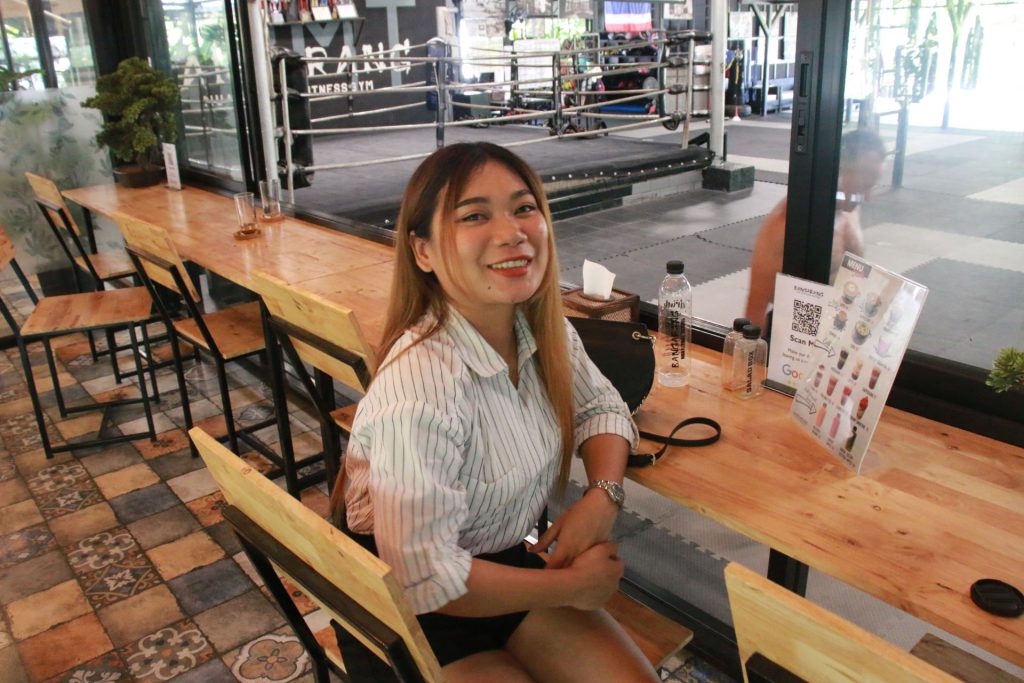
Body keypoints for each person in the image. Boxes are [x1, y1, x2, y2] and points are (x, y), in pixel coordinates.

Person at [330, 142, 659, 682]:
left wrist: (603, 495)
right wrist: (572, 587)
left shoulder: (541, 331)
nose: (512, 233)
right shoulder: (419, 393)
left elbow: (601, 405)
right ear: (424, 252)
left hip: (502, 566)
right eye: (475, 215)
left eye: (524, 208)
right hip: (411, 608)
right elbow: (425, 579)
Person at [744, 129, 887, 329]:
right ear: (840, 172)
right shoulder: (785, 226)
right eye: (864, 186)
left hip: (837, 327)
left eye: (872, 187)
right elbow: (754, 310)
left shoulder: (850, 207)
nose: (868, 197)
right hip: (793, 337)